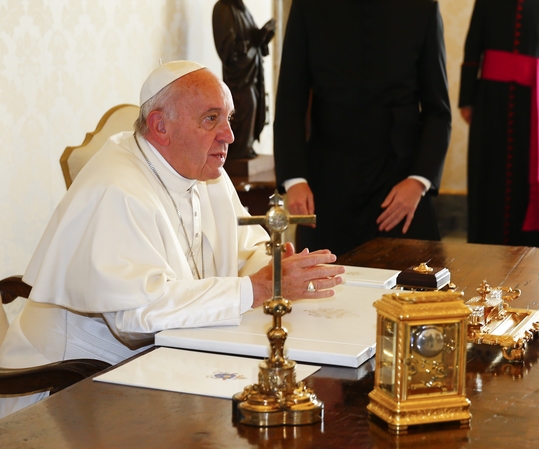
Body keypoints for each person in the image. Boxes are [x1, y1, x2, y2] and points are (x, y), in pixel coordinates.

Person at [0, 61, 345, 418]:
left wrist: (277, 268)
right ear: (160, 126)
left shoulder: (205, 171)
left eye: (228, 118)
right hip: (66, 392)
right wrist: (255, 289)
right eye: (211, 119)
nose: (229, 135)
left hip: (150, 370)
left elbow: (245, 249)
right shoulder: (117, 189)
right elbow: (135, 316)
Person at [273, 0, 451, 257]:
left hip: (400, 185)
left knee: (418, 280)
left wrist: (418, 182)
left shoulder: (423, 8)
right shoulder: (308, 6)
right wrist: (294, 180)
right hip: (327, 187)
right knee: (323, 279)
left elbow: (438, 112)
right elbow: (290, 103)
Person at [459, 0, 539, 248]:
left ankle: (537, 245)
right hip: (491, 103)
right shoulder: (487, 4)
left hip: (535, 107)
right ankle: (486, 240)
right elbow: (472, 50)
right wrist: (467, 99)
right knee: (490, 171)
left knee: (529, 171)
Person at [212, 0, 274, 160]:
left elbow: (251, 36)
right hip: (239, 76)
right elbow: (227, 49)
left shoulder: (242, 9)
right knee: (246, 104)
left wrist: (262, 36)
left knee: (255, 104)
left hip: (252, 71)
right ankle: (240, 149)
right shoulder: (223, 8)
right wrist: (253, 41)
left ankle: (247, 146)